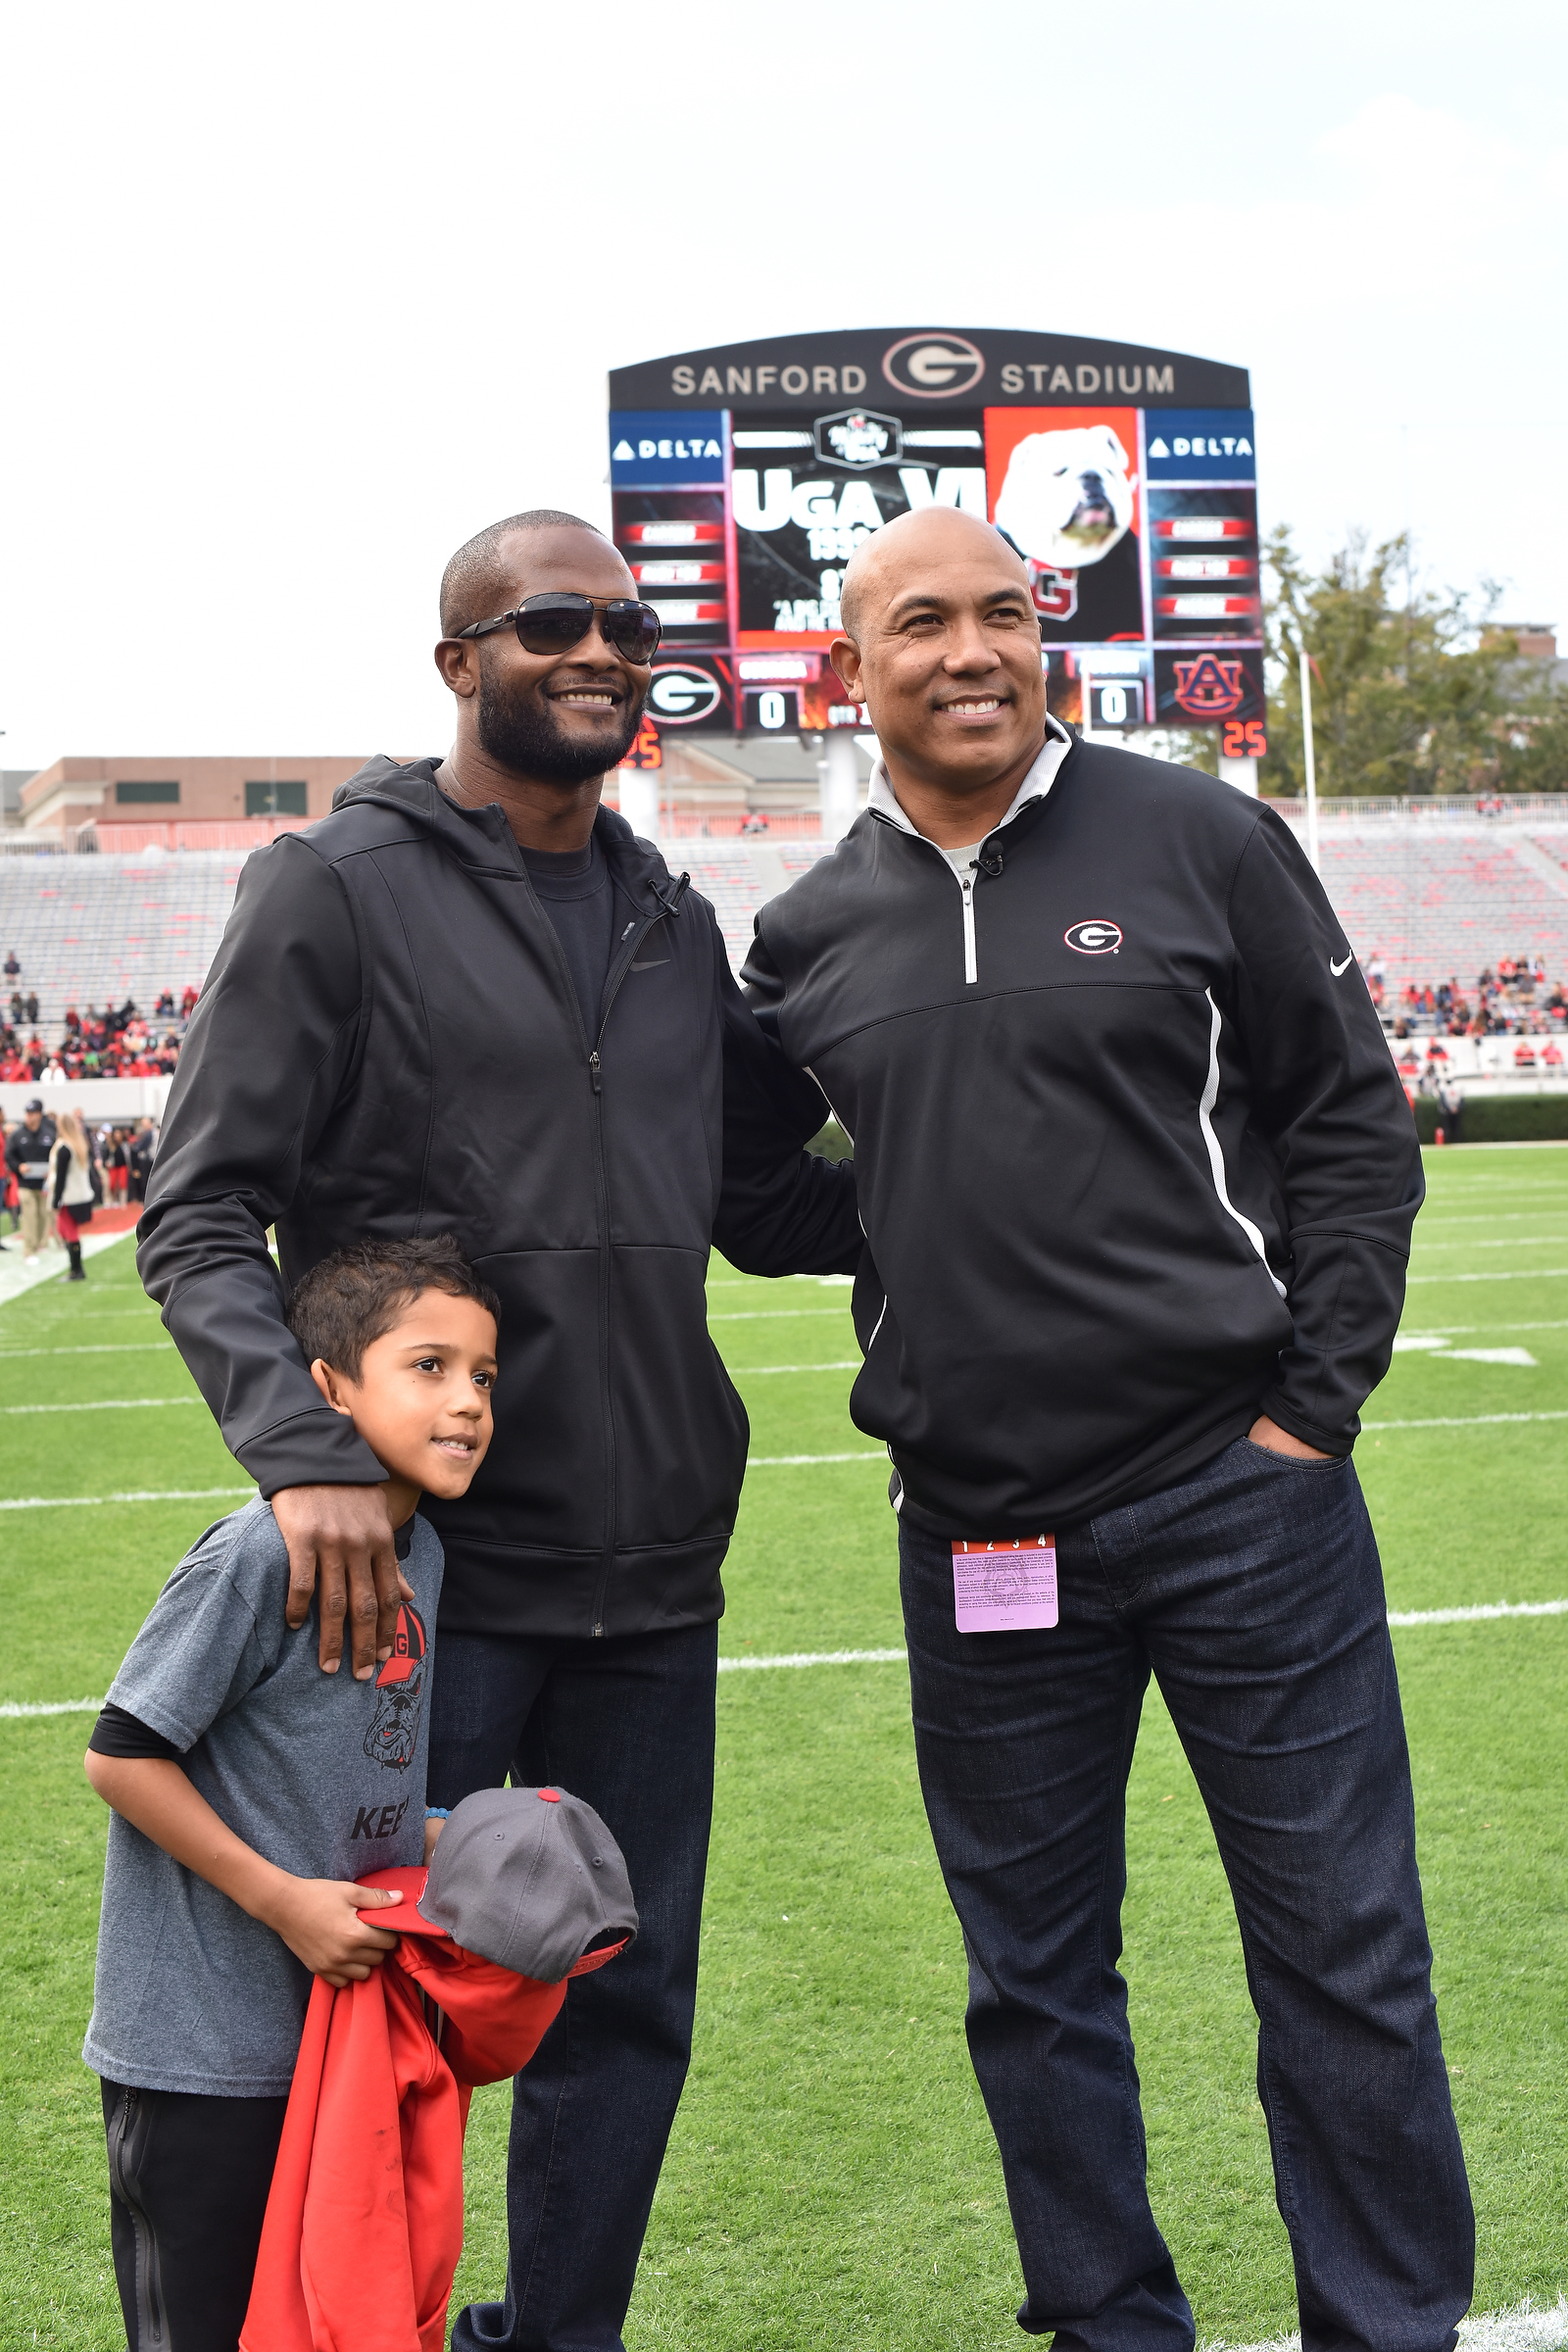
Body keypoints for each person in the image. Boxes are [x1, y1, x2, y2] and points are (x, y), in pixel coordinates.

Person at [742, 507, 1472, 2352]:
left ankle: (1383, 2329)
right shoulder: (811, 925)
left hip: (1244, 1505)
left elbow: (1348, 1129)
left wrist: (1315, 1414)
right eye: (923, 622)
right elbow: (758, 1192)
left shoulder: (1204, 833)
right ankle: (1107, 2326)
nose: (972, 650)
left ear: (1045, 638)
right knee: (1035, 1981)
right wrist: (909, 1229)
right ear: (852, 668)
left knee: (1344, 1957)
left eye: (1007, 611)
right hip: (980, 1536)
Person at [137, 508, 860, 2352]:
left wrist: (1006, 1193)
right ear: (458, 661)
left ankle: (561, 2341)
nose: (598, 651)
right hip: (425, 1578)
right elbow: (197, 1209)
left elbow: (764, 1206)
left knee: (622, 1997)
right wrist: (307, 1463)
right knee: (393, 1998)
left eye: (622, 624)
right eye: (548, 623)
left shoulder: (668, 918)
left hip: (657, 1564)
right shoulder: (334, 887)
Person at [82, 1236, 497, 2352]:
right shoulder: (259, 1554)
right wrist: (283, 1902)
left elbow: (342, 1771)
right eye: (428, 1367)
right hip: (203, 2052)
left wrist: (452, 1848)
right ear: (325, 1390)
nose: (465, 1401)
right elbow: (120, 1755)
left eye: (482, 1376)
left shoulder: (430, 1554)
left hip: (333, 2049)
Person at [6, 1098, 57, 1263]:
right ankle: (29, 1249)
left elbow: (55, 1155)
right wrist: (18, 1166)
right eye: (28, 1113)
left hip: (42, 1183)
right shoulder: (18, 1134)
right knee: (29, 1215)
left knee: (43, 1214)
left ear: (39, 1114)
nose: (30, 1117)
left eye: (33, 1113)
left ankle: (41, 1243)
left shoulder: (48, 1133)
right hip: (25, 1183)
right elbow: (8, 1155)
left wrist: (51, 1170)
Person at [50, 1106, 98, 1280]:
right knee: (70, 1232)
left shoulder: (65, 1148)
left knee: (68, 1232)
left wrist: (55, 1200)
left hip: (69, 1196)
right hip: (80, 1194)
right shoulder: (79, 1145)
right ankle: (76, 1269)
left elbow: (61, 1177)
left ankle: (76, 1270)